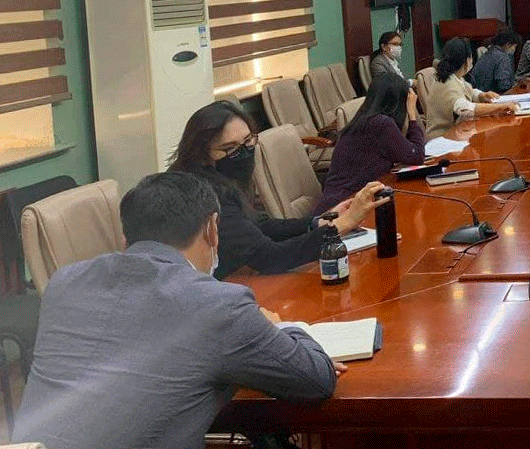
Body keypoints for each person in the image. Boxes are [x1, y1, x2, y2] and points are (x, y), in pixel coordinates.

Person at [12, 171, 338, 449]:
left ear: (125, 237)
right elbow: (316, 379)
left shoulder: (64, 283)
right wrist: (281, 326)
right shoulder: (219, 306)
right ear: (212, 229)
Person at [170, 100, 386, 278]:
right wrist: (342, 225)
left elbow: (257, 224)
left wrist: (321, 222)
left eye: (248, 141)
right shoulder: (204, 194)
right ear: (203, 154)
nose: (245, 152)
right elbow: (269, 257)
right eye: (231, 148)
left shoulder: (221, 178)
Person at [314, 71, 425, 214]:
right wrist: (412, 115)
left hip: (348, 202)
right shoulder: (381, 124)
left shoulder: (366, 118)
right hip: (340, 210)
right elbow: (416, 156)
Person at [426, 37, 518, 138]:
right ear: (466, 60)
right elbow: (465, 108)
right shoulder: (448, 83)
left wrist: (482, 95)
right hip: (442, 139)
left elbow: (467, 91)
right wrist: (500, 107)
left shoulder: (454, 77)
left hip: (455, 134)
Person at [470, 25, 521, 94]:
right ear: (508, 44)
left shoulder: (487, 53)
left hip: (479, 95)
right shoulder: (503, 58)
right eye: (514, 46)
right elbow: (504, 86)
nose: (514, 49)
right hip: (494, 96)